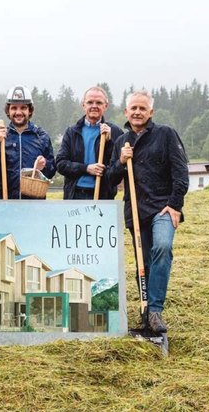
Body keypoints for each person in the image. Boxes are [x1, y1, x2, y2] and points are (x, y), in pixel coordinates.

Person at [106, 90, 189, 333]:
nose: (138, 112)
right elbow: (111, 178)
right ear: (126, 112)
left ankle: (155, 310)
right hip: (136, 210)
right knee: (144, 264)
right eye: (133, 108)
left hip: (163, 207)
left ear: (151, 112)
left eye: (143, 108)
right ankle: (145, 313)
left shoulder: (165, 134)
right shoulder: (122, 142)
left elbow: (181, 173)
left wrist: (175, 205)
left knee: (162, 247)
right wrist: (121, 161)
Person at [0, 85, 56, 199]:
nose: (18, 112)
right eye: (14, 108)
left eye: (23, 107)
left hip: (34, 206)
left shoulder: (41, 136)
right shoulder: (0, 136)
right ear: (8, 111)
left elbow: (52, 170)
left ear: (30, 110)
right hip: (6, 203)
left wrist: (44, 166)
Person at [55, 86, 124, 199]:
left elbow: (118, 169)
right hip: (74, 195)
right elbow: (60, 164)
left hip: (103, 196)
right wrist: (86, 168)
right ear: (83, 105)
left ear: (105, 106)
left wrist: (109, 142)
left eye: (99, 103)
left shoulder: (115, 132)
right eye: (90, 102)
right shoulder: (72, 132)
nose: (94, 106)